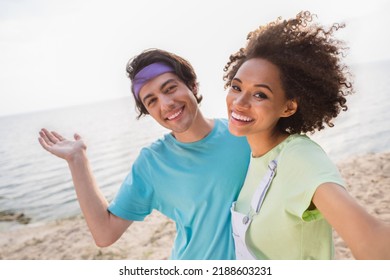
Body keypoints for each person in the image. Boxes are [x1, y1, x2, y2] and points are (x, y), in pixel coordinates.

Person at [38, 49, 251, 259]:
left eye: (170, 89)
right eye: (152, 101)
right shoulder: (152, 163)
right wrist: (77, 161)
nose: (166, 104)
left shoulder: (244, 135)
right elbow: (105, 234)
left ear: (192, 85)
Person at [223, 11, 390, 260]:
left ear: (288, 107)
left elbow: (371, 239)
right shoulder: (254, 158)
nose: (239, 102)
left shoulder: (299, 157)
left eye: (260, 94)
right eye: (236, 87)